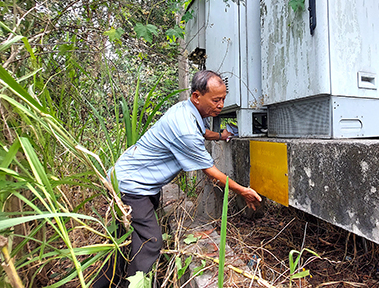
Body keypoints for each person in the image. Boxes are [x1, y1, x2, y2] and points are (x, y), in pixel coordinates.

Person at [93, 70, 262, 287]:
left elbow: (201, 133)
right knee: (150, 242)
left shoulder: (187, 111)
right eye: (216, 100)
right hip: (131, 187)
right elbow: (209, 170)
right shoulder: (185, 129)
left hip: (130, 181)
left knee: (123, 244)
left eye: (223, 100)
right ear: (196, 97)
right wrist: (243, 190)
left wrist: (221, 135)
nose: (220, 105)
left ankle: (104, 284)